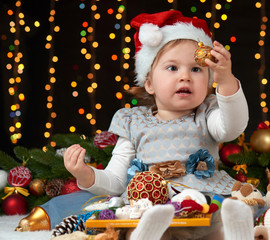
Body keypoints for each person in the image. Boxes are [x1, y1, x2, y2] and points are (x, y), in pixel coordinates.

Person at [16, 10, 251, 240]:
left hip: (199, 195)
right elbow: (116, 180)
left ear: (209, 81)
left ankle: (227, 232)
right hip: (148, 199)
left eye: (196, 69)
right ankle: (145, 233)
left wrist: (227, 80)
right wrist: (85, 174)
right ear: (149, 83)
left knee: (224, 210)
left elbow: (232, 127)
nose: (185, 76)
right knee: (117, 215)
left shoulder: (207, 113)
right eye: (172, 67)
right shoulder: (132, 120)